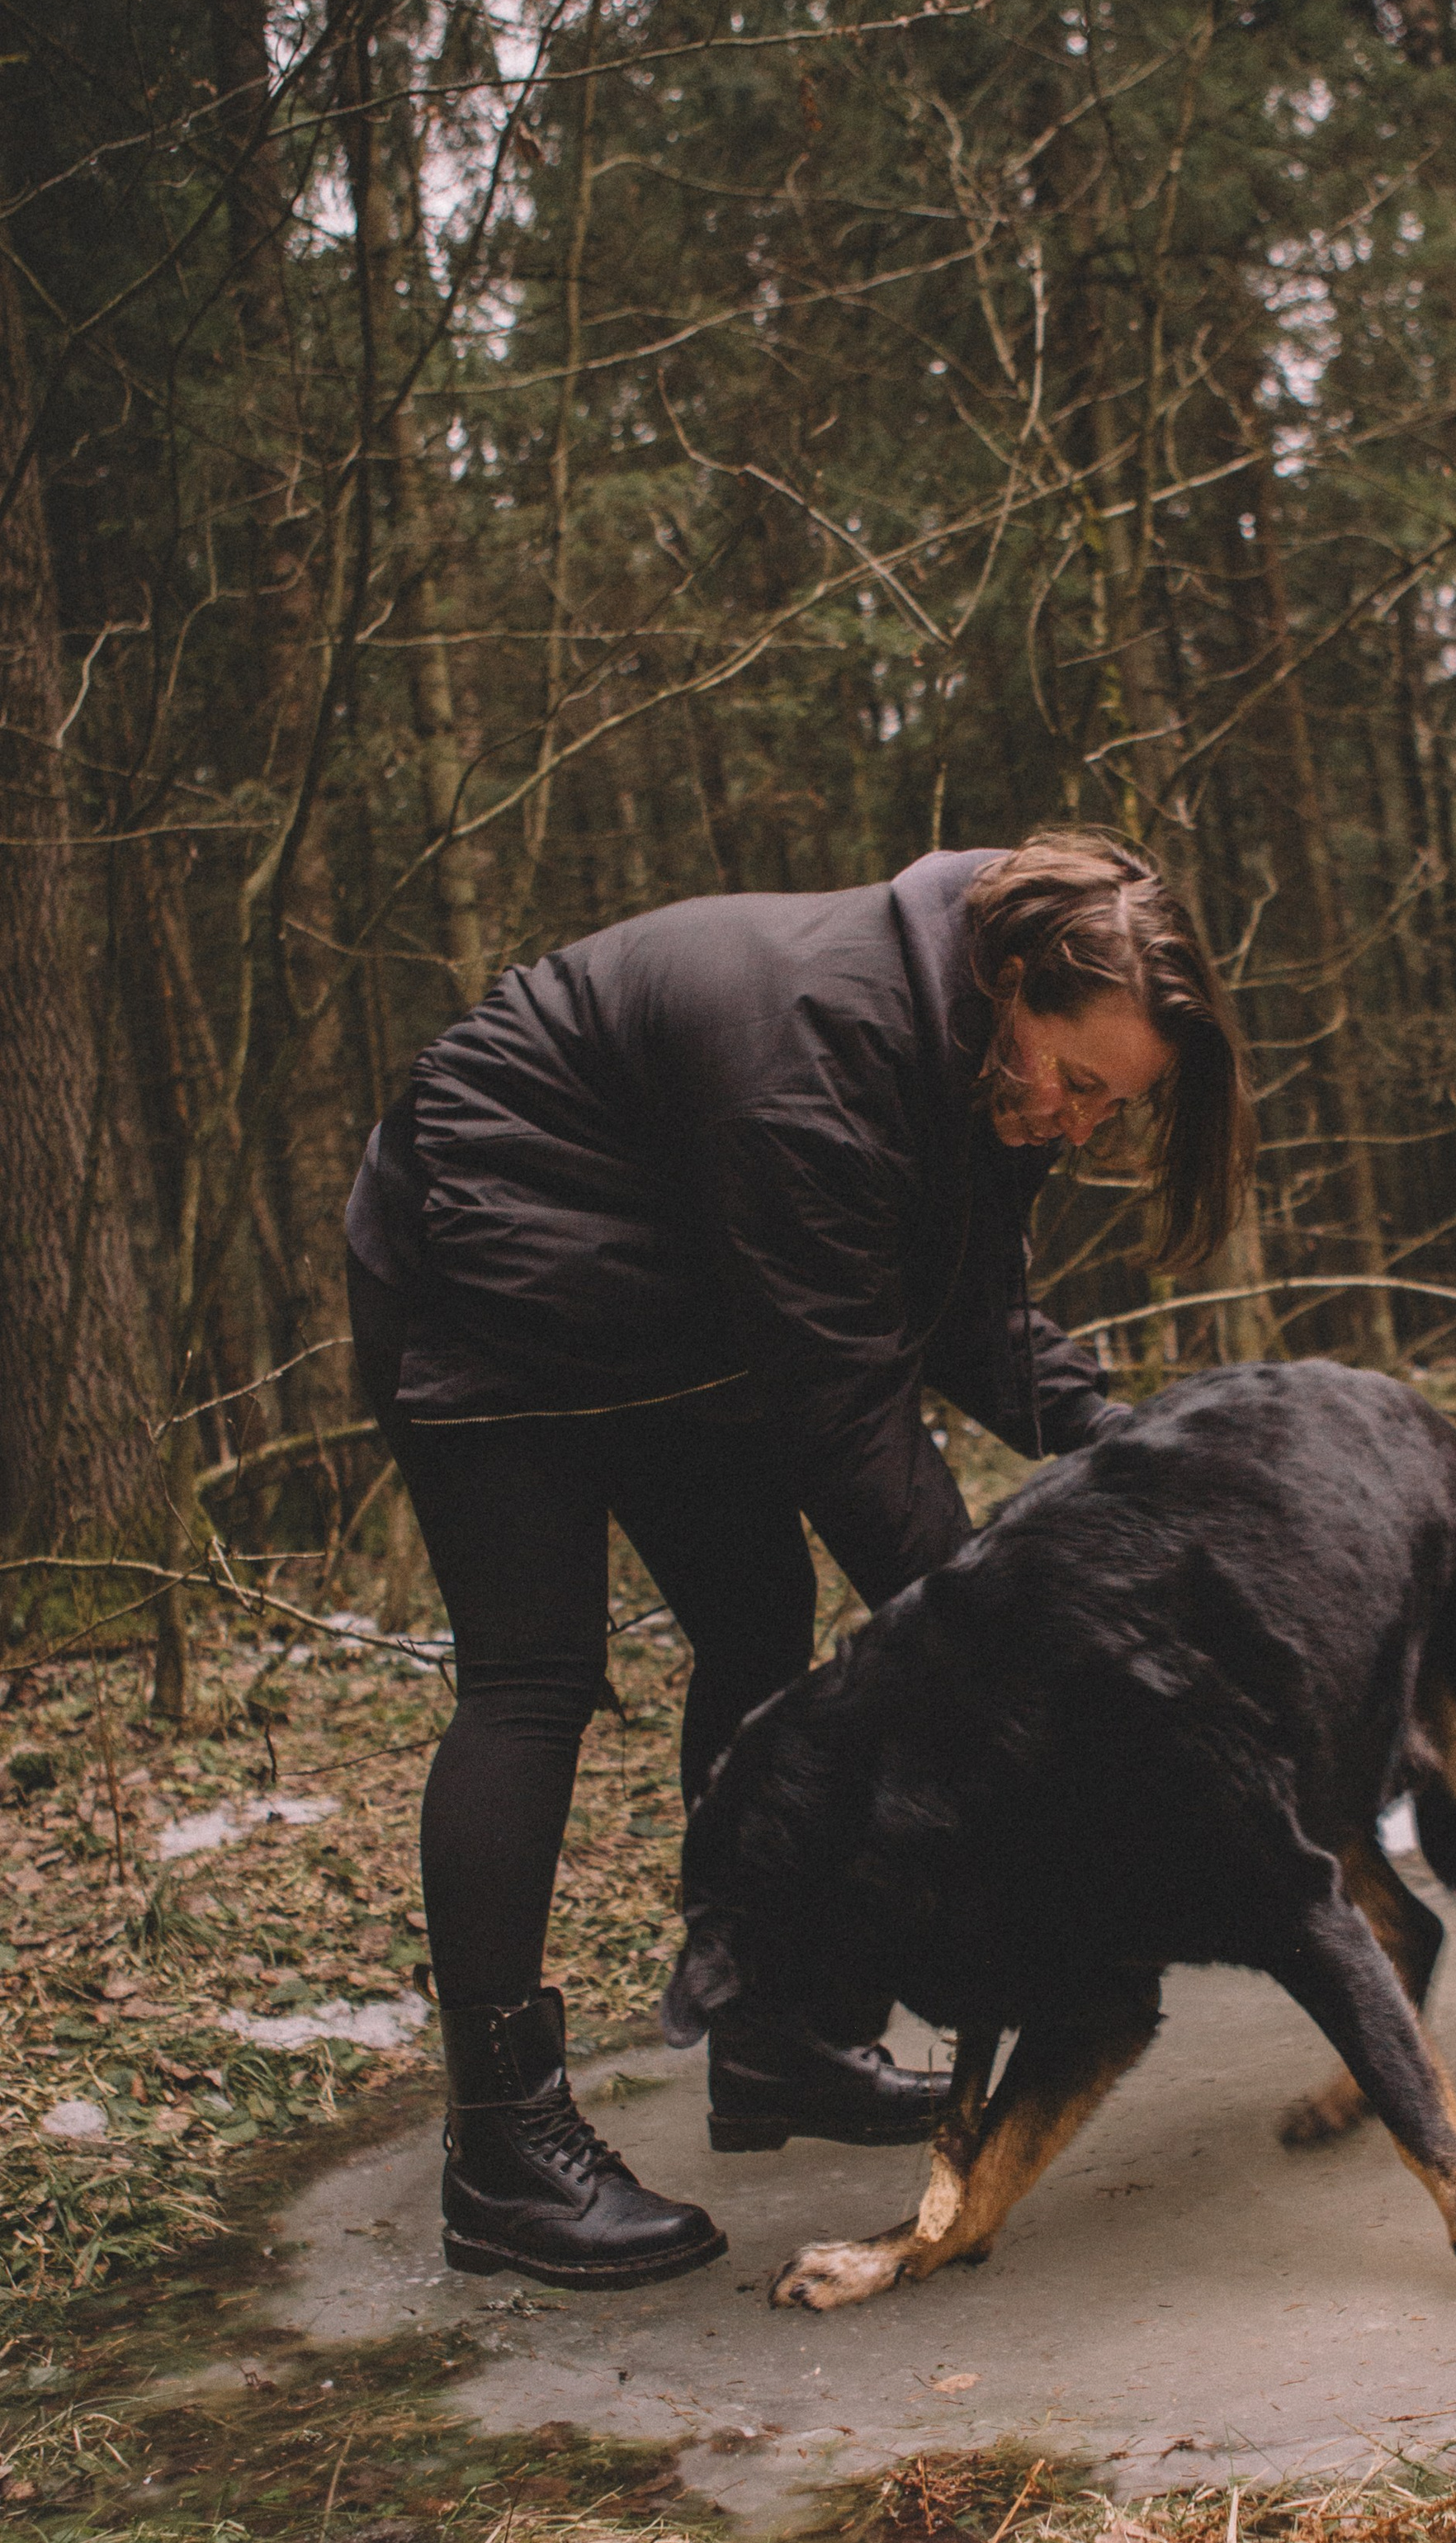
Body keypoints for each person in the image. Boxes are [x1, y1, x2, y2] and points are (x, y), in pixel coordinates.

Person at [344, 830, 1255, 2292]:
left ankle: (773, 2033)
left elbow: (969, 1319)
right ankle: (501, 2148)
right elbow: (851, 1418)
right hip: (481, 1252)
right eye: (1078, 1081)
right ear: (1011, 983)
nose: (1082, 1122)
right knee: (535, 1677)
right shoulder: (814, 1051)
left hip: (660, 1291)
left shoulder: (968, 1066)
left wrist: (1147, 1447)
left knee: (758, 1614)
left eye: (1114, 1102)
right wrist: (1011, 1654)